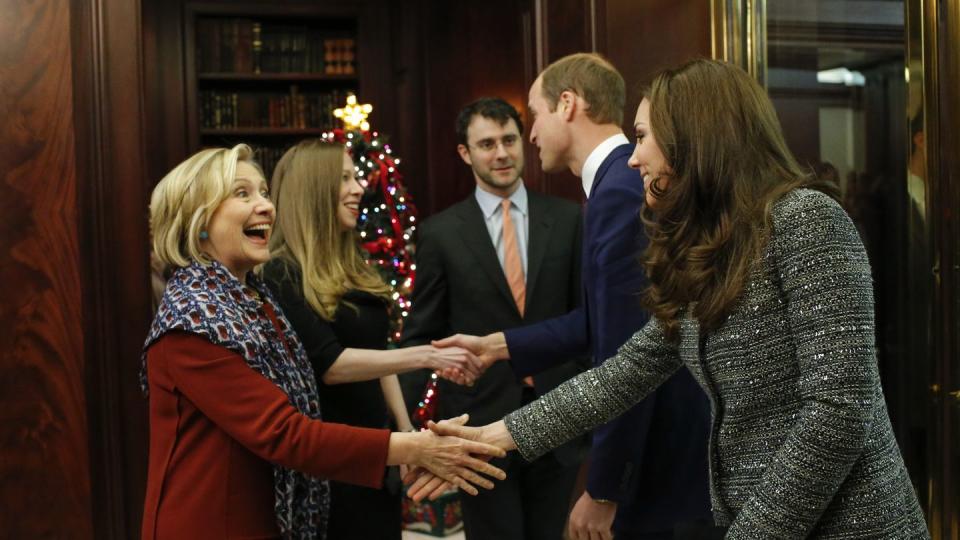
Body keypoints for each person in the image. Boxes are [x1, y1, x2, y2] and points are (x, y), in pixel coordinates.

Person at [416, 59, 931, 539]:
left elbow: (839, 411)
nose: (633, 156)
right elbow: (625, 372)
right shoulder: (706, 246)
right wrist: (494, 437)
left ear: (693, 139)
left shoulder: (806, 220)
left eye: (642, 137)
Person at [140, 144, 506, 540]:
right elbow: (285, 434)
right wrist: (415, 448)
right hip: (215, 522)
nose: (265, 206)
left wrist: (409, 436)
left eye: (264, 192)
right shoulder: (192, 322)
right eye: (242, 194)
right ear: (199, 222)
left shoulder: (255, 301)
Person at [435, 53, 711, 539]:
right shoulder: (614, 188)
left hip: (661, 459)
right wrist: (497, 345)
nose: (532, 134)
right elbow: (599, 322)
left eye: (534, 116)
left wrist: (605, 487)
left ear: (567, 104)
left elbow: (628, 357)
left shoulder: (619, 192)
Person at [260, 138, 482, 540]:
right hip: (328, 462)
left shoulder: (354, 264)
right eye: (344, 178)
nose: (359, 187)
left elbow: (381, 356)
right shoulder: (281, 273)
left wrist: (405, 436)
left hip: (377, 456)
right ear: (315, 189)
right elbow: (332, 365)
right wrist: (426, 357)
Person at [399, 97, 588, 540]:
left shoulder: (567, 220)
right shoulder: (440, 234)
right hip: (476, 427)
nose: (501, 153)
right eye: (486, 144)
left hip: (558, 416)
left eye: (508, 140)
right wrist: (403, 430)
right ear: (466, 153)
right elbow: (421, 333)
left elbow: (587, 319)